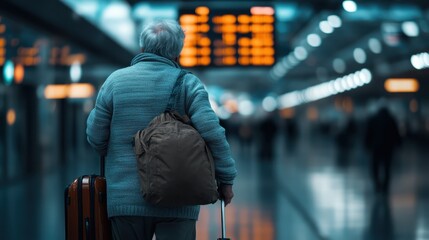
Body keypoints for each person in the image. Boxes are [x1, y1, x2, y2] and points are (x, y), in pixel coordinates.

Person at [86, 19, 237, 240]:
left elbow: (96, 138)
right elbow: (213, 133)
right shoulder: (188, 84)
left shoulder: (114, 82)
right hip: (179, 194)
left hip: (126, 200)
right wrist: (227, 178)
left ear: (142, 48)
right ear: (178, 53)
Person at [364, 105, 401, 194]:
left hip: (376, 147)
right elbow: (396, 133)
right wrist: (398, 144)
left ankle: (377, 184)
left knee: (375, 167)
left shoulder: (373, 119)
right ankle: (385, 187)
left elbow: (368, 133)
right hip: (388, 148)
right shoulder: (391, 119)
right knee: (387, 168)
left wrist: (367, 145)